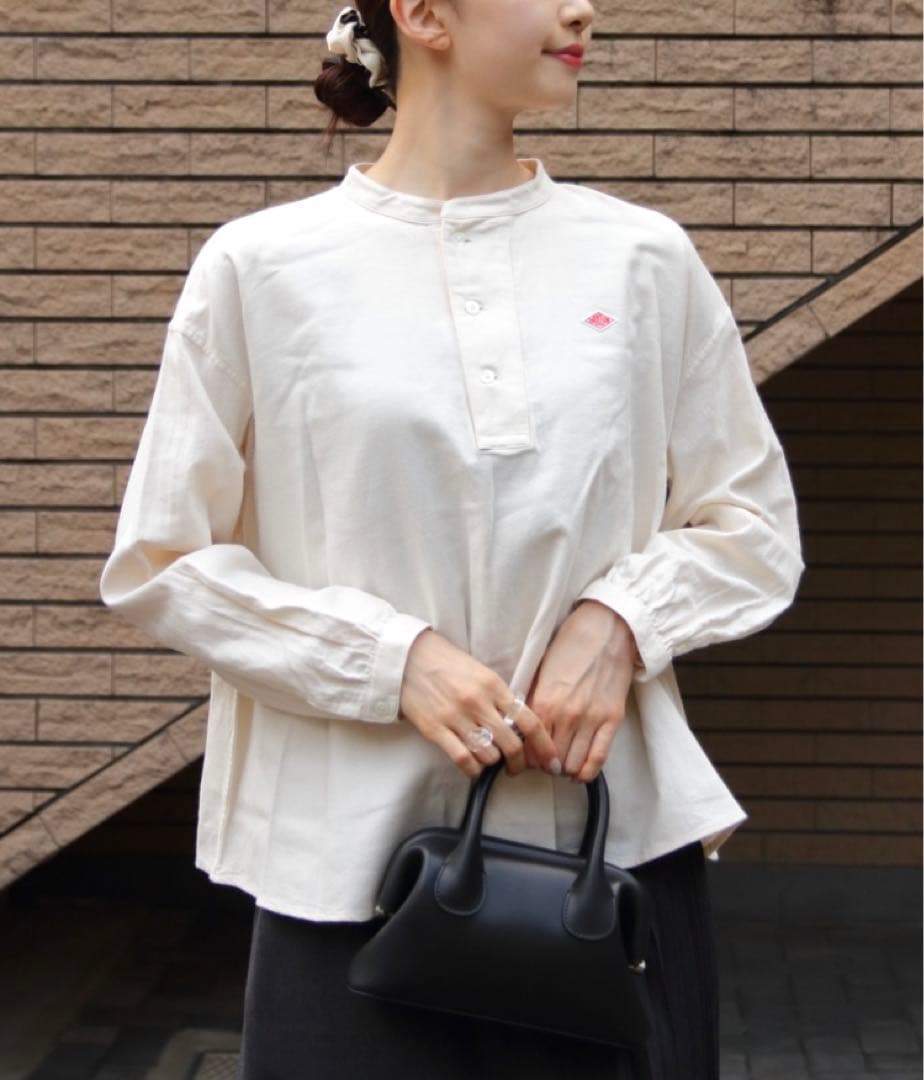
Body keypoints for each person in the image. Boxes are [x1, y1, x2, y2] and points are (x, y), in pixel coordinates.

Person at [97, 0, 805, 1077]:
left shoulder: (644, 259)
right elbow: (161, 561)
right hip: (347, 882)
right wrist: (389, 660)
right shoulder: (261, 268)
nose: (583, 8)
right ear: (423, 12)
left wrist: (620, 621)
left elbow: (753, 523)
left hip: (610, 872)